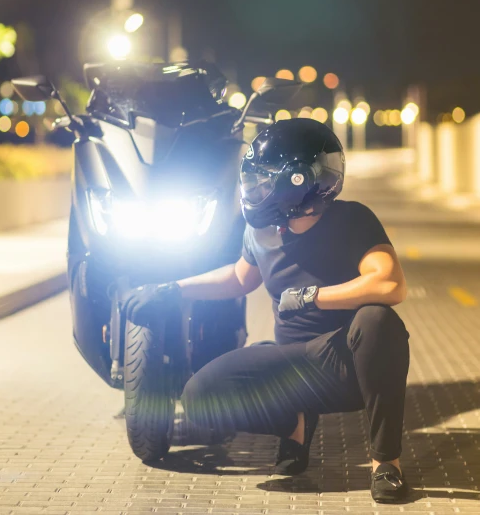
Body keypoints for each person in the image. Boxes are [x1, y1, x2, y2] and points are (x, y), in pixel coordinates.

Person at [127, 118, 410, 504]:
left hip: (342, 363)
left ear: (299, 181)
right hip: (290, 367)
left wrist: (313, 296)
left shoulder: (352, 219)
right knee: (199, 397)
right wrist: (172, 289)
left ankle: (385, 464)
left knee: (379, 321)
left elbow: (390, 284)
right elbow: (239, 278)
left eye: (265, 180)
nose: (256, 189)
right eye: (254, 180)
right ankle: (294, 424)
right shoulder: (260, 232)